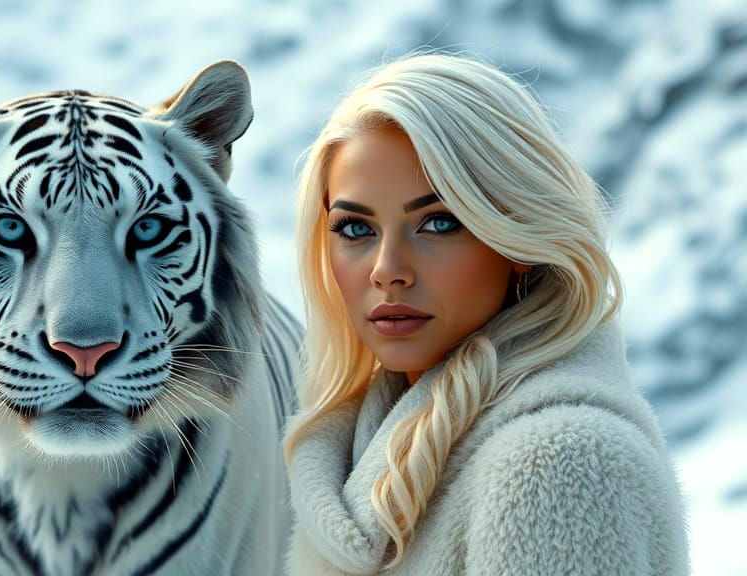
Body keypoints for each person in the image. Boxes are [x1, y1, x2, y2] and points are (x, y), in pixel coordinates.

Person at [283, 53, 689, 575]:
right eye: (356, 229)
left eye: (438, 223)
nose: (387, 271)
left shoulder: (555, 465)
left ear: (516, 238)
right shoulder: (353, 456)